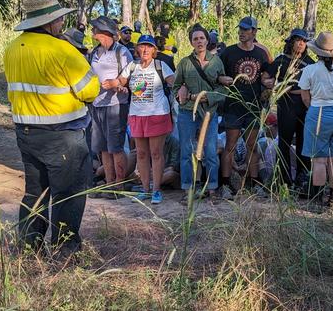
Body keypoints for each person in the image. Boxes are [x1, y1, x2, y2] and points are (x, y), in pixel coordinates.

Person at [4, 0, 100, 256]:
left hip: (26, 134)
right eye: (58, 19)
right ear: (47, 22)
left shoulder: (12, 49)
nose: (61, 24)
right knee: (68, 194)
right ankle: (65, 250)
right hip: (63, 136)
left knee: (35, 192)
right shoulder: (62, 50)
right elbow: (90, 90)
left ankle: (28, 246)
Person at [102, 35, 175, 204]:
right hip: (136, 115)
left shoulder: (160, 65)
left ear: (154, 50)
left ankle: (156, 190)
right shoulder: (132, 66)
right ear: (137, 49)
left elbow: (174, 82)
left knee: (156, 153)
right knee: (141, 154)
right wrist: (111, 83)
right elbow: (121, 80)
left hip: (157, 114)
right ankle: (145, 189)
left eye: (149, 47)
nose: (145, 50)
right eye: (142, 46)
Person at [218, 16, 274, 196]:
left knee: (252, 144)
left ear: (254, 32)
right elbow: (216, 72)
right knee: (230, 145)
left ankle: (255, 182)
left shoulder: (261, 53)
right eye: (240, 29)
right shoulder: (229, 52)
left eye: (246, 29)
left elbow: (267, 74)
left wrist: (269, 83)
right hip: (233, 105)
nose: (241, 32)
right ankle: (225, 184)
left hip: (253, 105)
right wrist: (221, 78)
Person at [173, 24, 230, 200]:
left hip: (209, 112)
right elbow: (176, 88)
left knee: (211, 151)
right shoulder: (184, 63)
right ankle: (188, 190)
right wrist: (183, 94)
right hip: (187, 112)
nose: (199, 41)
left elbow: (224, 89)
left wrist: (209, 98)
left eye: (202, 38)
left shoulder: (216, 62)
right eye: (195, 39)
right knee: (187, 151)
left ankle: (212, 188)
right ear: (191, 42)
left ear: (207, 40)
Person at [298, 31, 333, 210]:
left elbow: (305, 96)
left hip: (318, 111)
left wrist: (313, 107)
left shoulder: (310, 70)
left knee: (319, 160)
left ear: (317, 52)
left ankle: (318, 198)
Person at [88, 16, 134, 199]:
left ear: (104, 32)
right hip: (97, 104)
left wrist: (117, 82)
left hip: (116, 104)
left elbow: (129, 73)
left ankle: (119, 186)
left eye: (95, 29)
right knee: (102, 148)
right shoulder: (94, 53)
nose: (92, 33)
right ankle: (109, 183)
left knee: (115, 147)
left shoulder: (121, 52)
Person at [266, 28, 315, 191]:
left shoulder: (310, 62)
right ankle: (284, 180)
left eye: (304, 41)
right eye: (298, 40)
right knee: (284, 142)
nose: (301, 44)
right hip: (286, 103)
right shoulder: (281, 60)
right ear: (291, 42)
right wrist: (270, 83)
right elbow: (266, 76)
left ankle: (303, 178)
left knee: (303, 142)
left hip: (305, 104)